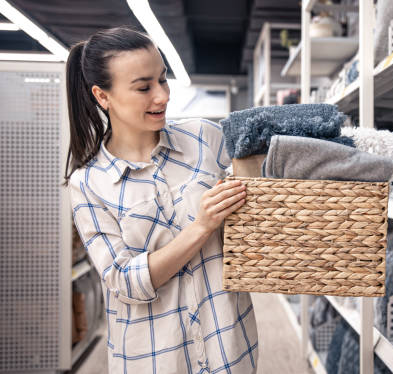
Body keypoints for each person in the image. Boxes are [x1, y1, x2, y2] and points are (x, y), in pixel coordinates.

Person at [65, 27, 258, 373]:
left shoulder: (204, 138)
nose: (162, 96)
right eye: (144, 87)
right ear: (102, 95)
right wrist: (202, 227)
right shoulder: (89, 184)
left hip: (228, 345)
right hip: (154, 359)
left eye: (163, 79)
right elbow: (124, 280)